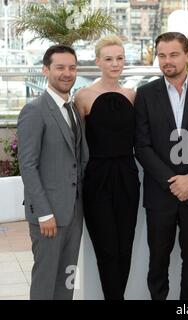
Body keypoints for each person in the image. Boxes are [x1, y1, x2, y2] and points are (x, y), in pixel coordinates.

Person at [134, 32, 188, 300]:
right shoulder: (146, 93)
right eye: (162, 55)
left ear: (187, 55)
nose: (167, 61)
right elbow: (142, 145)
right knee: (157, 264)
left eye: (173, 54)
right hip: (161, 194)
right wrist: (173, 181)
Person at [17, 45, 89, 299]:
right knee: (45, 282)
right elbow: (27, 165)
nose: (66, 73)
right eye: (60, 67)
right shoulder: (35, 110)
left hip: (73, 212)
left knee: (67, 280)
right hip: (48, 215)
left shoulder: (72, 108)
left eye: (71, 67)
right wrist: (45, 212)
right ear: (46, 70)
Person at [74, 35, 140, 300]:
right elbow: (76, 143)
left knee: (125, 247)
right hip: (97, 178)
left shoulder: (132, 96)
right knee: (107, 249)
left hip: (127, 175)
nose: (115, 64)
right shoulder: (83, 96)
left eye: (120, 58)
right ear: (98, 61)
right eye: (109, 59)